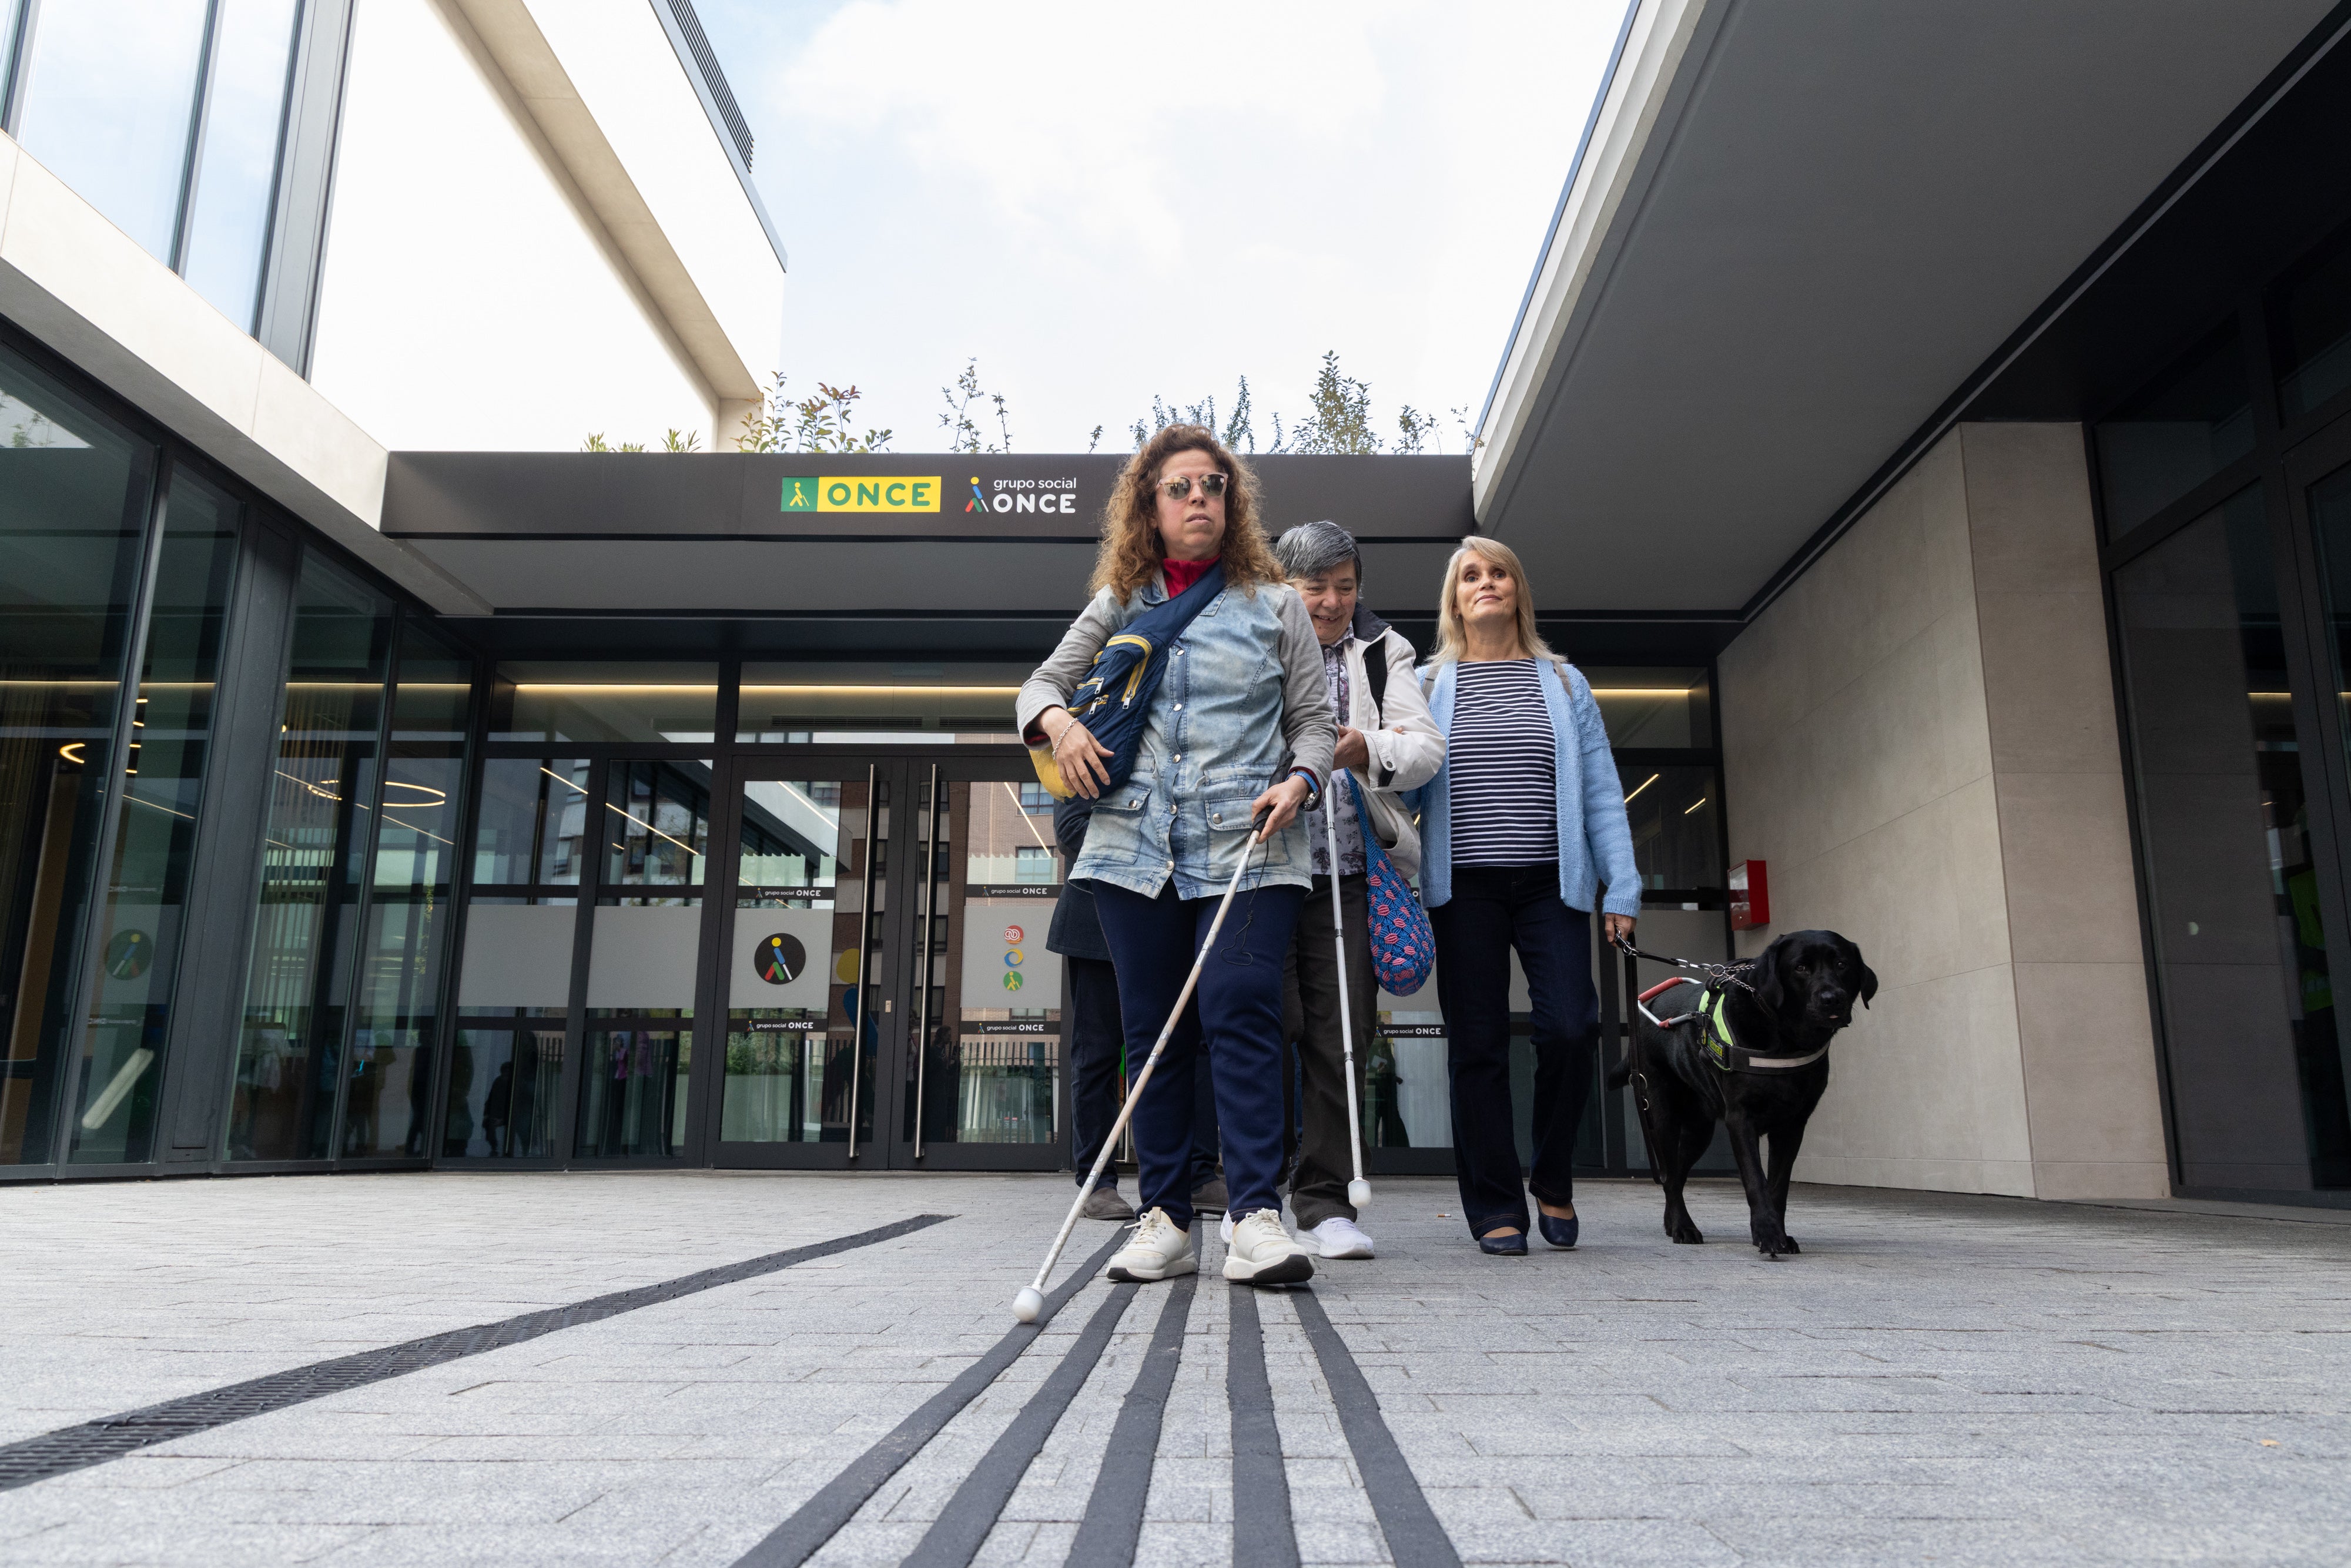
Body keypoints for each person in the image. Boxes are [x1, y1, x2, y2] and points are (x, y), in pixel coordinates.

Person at [1018, 424, 1335, 1287]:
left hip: (1252, 845)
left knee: (1240, 1008)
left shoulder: (1277, 606)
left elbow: (1313, 723)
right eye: (1180, 488)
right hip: (1132, 851)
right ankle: (1163, 1218)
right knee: (1152, 1032)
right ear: (1149, 508)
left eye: (1214, 486)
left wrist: (1302, 778)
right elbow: (1039, 686)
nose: (1200, 498)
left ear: (1232, 503)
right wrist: (1059, 723)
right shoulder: (1120, 601)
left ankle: (1255, 1216)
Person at [1405, 536, 1640, 1255]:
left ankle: (1554, 1176)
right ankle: (1495, 1203)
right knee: (1476, 1045)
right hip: (1463, 888)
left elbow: (1600, 792)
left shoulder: (1564, 682)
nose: (1486, 583)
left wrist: (1622, 884)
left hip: (1551, 885)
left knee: (1570, 1027)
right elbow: (1403, 781)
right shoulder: (1425, 683)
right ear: (1454, 599)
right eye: (1471, 575)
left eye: (1499, 572)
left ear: (1518, 590)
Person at [1269, 520, 1443, 1261]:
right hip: (1260, 866)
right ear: (1284, 586)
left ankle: (1324, 1200)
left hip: (1344, 872)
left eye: (1345, 587)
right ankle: (1250, 1193)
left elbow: (1425, 748)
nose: (1332, 602)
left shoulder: (1382, 649)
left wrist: (1364, 745)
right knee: (1260, 1025)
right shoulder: (1255, 635)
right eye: (1316, 587)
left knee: (1341, 1036)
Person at [1050, 796, 1226, 1222]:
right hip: (1097, 921)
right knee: (1097, 1053)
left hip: (1177, 917)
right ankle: (1096, 1182)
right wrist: (1158, 849)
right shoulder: (1090, 751)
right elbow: (1071, 830)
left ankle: (1199, 1175)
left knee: (1192, 1047)